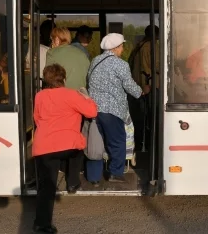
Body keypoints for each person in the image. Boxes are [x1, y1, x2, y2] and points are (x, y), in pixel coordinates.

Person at [32, 64, 97, 234]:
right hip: (69, 145)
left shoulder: (39, 96)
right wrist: (87, 97)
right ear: (64, 78)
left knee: (46, 187)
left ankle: (42, 225)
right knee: (77, 152)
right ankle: (73, 183)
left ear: (46, 80)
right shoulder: (72, 95)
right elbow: (91, 112)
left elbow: (37, 118)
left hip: (43, 147)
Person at [86, 33, 149, 185]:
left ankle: (94, 177)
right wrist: (141, 91)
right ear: (116, 48)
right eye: (121, 46)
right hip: (112, 110)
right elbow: (129, 85)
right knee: (117, 142)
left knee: (96, 143)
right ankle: (115, 172)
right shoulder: (120, 64)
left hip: (94, 109)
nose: (122, 49)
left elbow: (88, 80)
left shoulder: (95, 61)